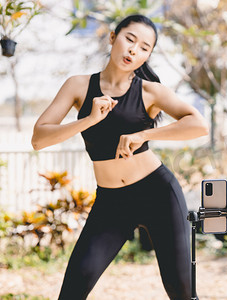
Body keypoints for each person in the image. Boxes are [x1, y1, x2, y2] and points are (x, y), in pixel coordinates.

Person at [31, 14, 208, 300]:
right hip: (112, 201)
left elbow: (198, 124)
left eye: (144, 48)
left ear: (148, 55)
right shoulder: (78, 86)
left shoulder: (149, 91)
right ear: (112, 37)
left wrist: (143, 135)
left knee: (181, 291)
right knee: (73, 289)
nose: (133, 50)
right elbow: (39, 138)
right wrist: (88, 120)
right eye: (129, 39)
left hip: (158, 194)